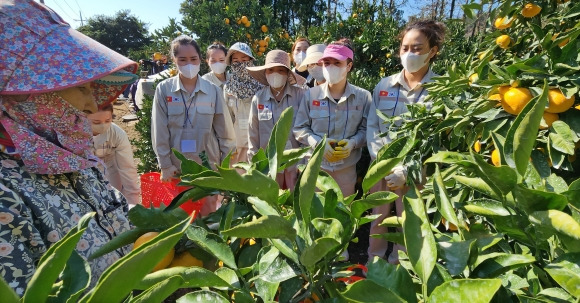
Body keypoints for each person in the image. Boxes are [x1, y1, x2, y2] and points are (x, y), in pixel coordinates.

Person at [0, 0, 138, 295]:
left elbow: (114, 216)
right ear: (23, 95)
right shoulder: (6, 193)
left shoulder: (69, 154)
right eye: (80, 86)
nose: (92, 104)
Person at [367, 20, 445, 264]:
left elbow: (438, 138)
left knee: (409, 222)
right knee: (378, 219)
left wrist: (408, 168)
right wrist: (384, 162)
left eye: (417, 48)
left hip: (415, 173)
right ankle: (375, 262)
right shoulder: (384, 86)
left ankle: (401, 266)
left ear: (432, 51)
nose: (409, 53)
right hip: (382, 169)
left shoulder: (442, 89)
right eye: (405, 48)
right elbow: (372, 126)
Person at [151, 35, 235, 216]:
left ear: (200, 60)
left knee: (208, 217)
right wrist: (165, 164)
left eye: (193, 59)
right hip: (177, 170)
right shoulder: (164, 90)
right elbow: (160, 130)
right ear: (174, 60)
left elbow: (225, 132)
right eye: (182, 59)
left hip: (208, 168)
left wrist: (225, 167)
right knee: (182, 218)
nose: (189, 63)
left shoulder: (212, 90)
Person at [294, 39, 371, 198]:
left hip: (346, 171)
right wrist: (319, 144)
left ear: (348, 66)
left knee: (342, 216)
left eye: (337, 63)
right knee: (315, 217)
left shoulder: (363, 97)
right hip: (316, 169)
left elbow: (367, 130)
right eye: (327, 63)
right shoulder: (310, 95)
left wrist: (352, 143)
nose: (330, 67)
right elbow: (300, 129)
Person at [246, 50, 306, 189]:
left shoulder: (301, 96)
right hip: (267, 165)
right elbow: (252, 135)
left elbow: (306, 130)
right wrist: (255, 165)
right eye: (271, 70)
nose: (275, 73)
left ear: (287, 74)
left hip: (295, 165)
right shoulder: (258, 99)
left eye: (280, 70)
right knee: (272, 205)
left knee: (294, 204)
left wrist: (303, 164)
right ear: (266, 72)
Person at [87, 104, 141, 207]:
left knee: (114, 202)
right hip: (85, 173)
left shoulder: (117, 134)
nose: (103, 126)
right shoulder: (74, 135)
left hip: (110, 168)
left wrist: (133, 203)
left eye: (107, 121)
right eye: (96, 122)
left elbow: (127, 168)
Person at [223, 42, 264, 165]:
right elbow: (227, 118)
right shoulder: (228, 88)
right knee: (238, 181)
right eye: (235, 60)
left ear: (250, 60)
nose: (240, 63)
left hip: (258, 144)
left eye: (244, 59)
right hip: (237, 146)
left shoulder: (261, 84)